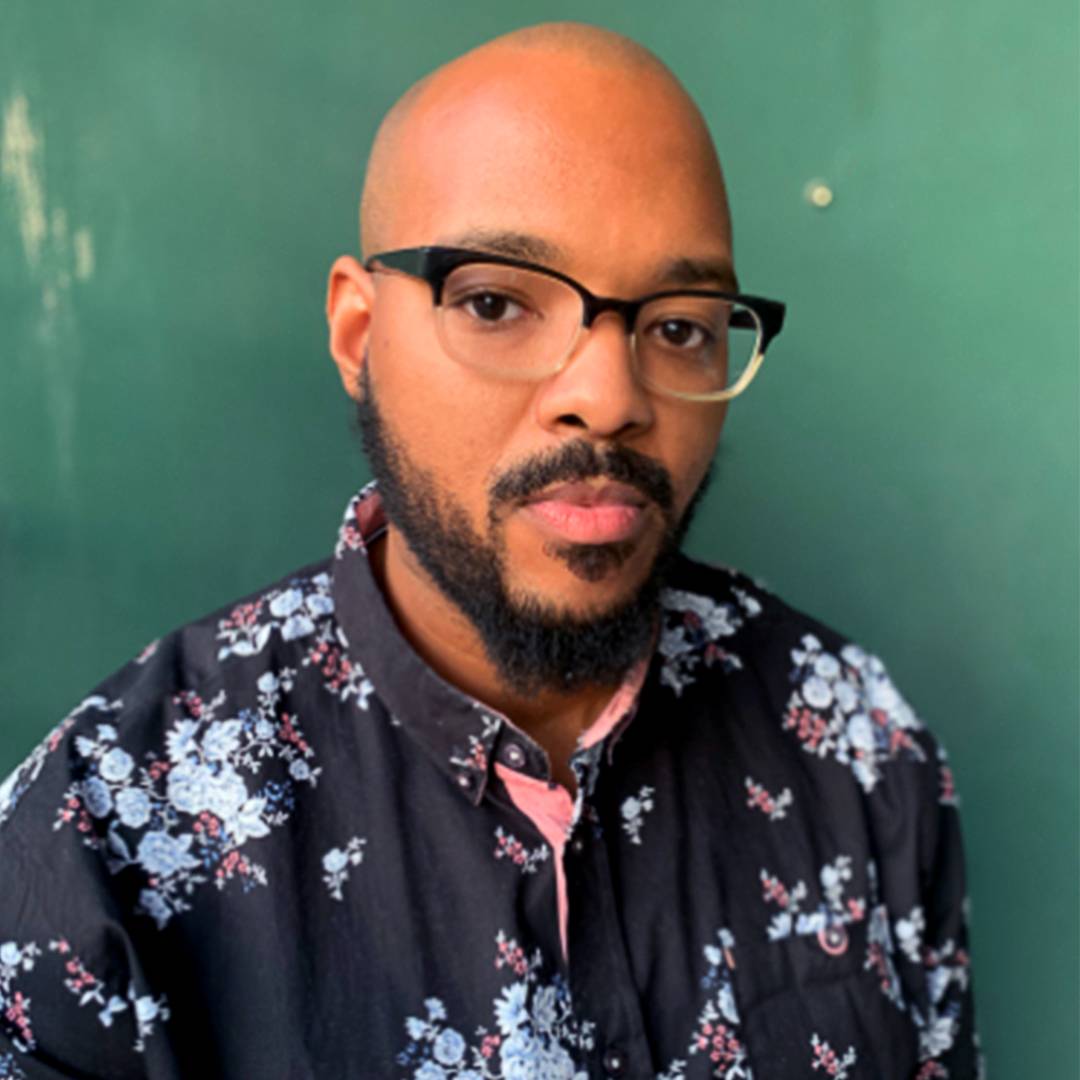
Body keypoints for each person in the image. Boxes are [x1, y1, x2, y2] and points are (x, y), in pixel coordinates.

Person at [0, 22, 980, 1080]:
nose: (608, 397)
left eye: (681, 326)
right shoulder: (103, 840)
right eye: (497, 302)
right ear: (359, 337)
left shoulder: (856, 745)